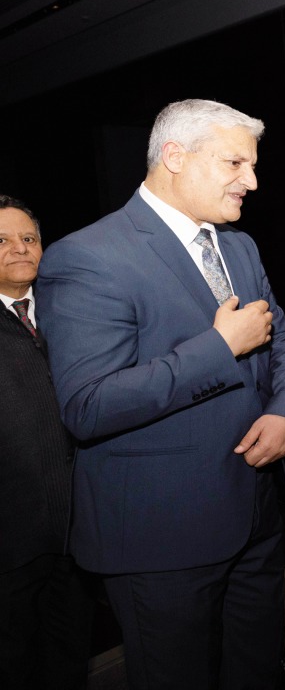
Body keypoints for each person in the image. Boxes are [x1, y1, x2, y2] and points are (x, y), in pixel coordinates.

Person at [37, 99, 285, 690]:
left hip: (256, 515)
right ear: (174, 157)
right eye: (235, 162)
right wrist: (219, 347)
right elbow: (88, 406)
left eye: (254, 164)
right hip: (162, 537)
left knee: (256, 671)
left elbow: (282, 337)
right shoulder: (87, 257)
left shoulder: (238, 246)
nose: (253, 181)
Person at [0, 196, 93, 689]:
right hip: (11, 544)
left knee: (68, 657)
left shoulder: (70, 311)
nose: (19, 248)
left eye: (29, 238)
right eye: (2, 240)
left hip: (73, 536)